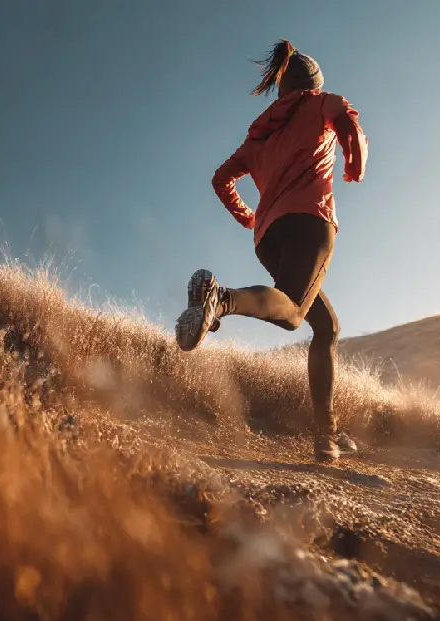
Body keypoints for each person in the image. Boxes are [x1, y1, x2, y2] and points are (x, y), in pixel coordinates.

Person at [174, 39, 368, 463]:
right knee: (294, 314)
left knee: (326, 326)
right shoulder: (323, 103)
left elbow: (221, 179)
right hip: (311, 222)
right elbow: (348, 125)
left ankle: (327, 434)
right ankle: (221, 300)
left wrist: (248, 217)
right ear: (313, 84)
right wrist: (354, 165)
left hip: (268, 238)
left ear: (283, 89)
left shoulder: (258, 136)